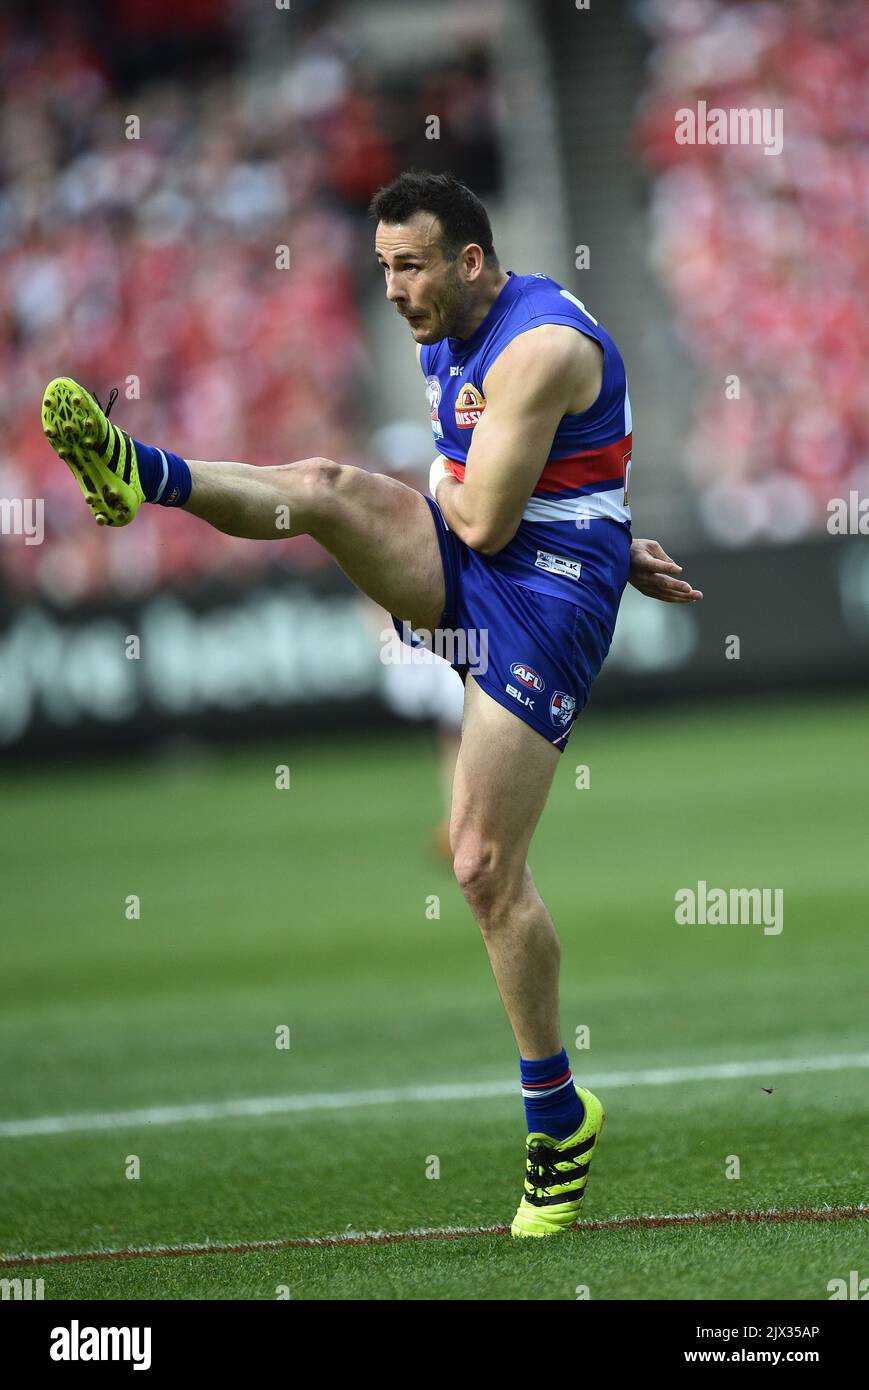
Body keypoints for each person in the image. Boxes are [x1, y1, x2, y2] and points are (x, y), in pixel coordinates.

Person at [40, 170, 702, 1238]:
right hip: (492, 563)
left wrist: (586, 535)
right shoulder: (441, 321)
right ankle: (137, 474)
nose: (392, 289)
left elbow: (483, 516)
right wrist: (589, 518)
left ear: (471, 262)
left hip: (542, 606)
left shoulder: (537, 345)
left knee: (483, 868)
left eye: (411, 266)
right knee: (327, 488)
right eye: (382, 267)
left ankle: (556, 1117)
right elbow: (509, 476)